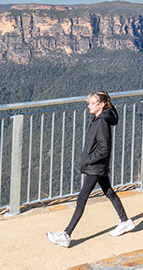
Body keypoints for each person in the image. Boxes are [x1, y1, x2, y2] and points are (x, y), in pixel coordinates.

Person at [46, 91, 134, 247]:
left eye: (92, 103)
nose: (89, 106)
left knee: (81, 199)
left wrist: (88, 160)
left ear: (101, 105)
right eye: (89, 103)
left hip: (96, 166)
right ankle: (125, 221)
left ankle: (66, 235)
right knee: (109, 192)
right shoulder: (101, 117)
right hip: (98, 165)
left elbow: (104, 148)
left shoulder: (101, 122)